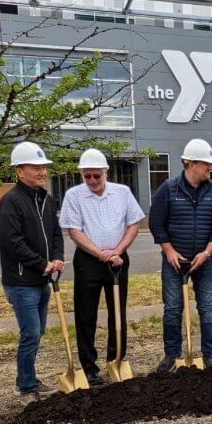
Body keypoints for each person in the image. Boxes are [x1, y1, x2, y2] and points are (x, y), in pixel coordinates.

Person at [58, 149, 145, 385]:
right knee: (86, 313)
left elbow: (133, 224)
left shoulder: (122, 193)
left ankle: (116, 358)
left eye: (97, 175)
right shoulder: (74, 196)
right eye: (88, 177)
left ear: (106, 172)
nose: (93, 181)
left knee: (118, 311)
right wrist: (100, 253)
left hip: (118, 259)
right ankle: (89, 366)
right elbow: (74, 231)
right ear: (82, 175)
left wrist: (117, 251)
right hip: (88, 260)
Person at [149, 139, 212, 370]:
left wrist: (207, 252)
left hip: (205, 261)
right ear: (191, 163)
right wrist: (169, 251)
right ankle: (173, 355)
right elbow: (156, 223)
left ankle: (211, 356)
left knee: (207, 306)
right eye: (207, 164)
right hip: (175, 262)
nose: (211, 168)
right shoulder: (168, 189)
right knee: (173, 308)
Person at [0, 142, 65, 403]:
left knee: (37, 333)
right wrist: (41, 263)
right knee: (31, 334)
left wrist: (57, 258)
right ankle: (25, 388)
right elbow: (13, 243)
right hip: (21, 281)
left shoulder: (46, 199)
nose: (42, 172)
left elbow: (56, 233)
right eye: (35, 167)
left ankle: (30, 380)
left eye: (43, 167)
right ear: (19, 171)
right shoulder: (10, 202)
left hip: (42, 280)